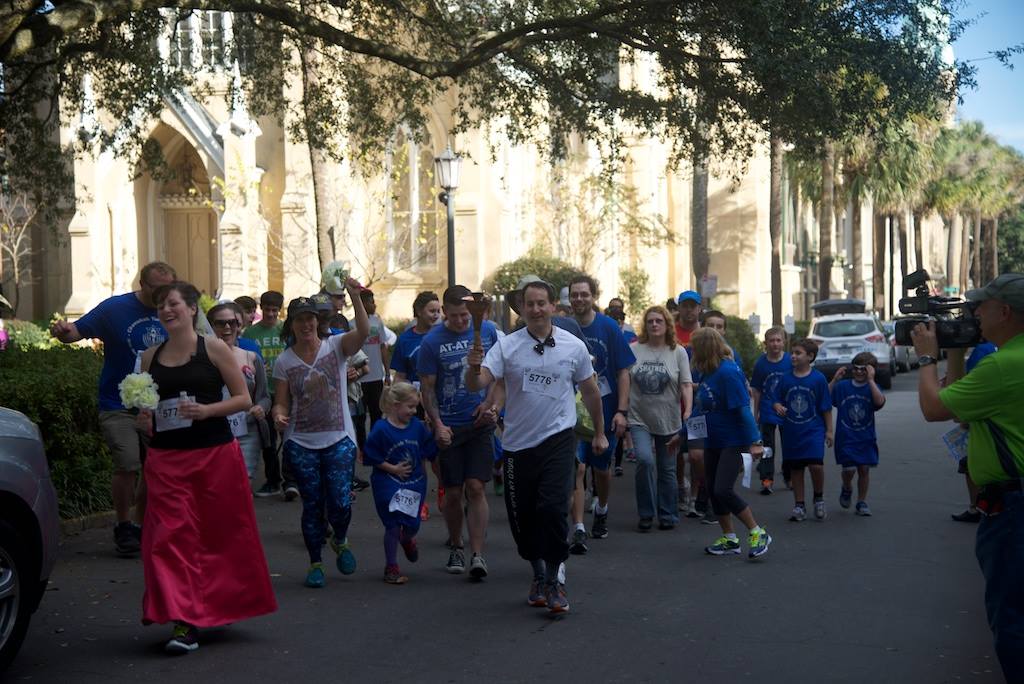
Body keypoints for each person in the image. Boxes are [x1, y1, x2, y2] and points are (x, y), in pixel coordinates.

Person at [136, 281, 276, 653]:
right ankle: (184, 621)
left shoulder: (213, 349)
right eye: (161, 306)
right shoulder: (150, 357)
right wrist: (144, 419)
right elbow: (148, 407)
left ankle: (218, 604)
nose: (166, 310)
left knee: (219, 536)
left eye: (173, 303)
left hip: (214, 455)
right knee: (169, 538)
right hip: (166, 460)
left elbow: (243, 399)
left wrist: (206, 411)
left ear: (192, 308)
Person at [466, 279, 606, 613]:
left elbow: (590, 392)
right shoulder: (508, 346)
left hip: (558, 438)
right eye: (530, 304)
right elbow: (478, 383)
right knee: (523, 518)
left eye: (542, 303)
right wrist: (473, 368)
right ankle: (538, 571)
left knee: (553, 507)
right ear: (522, 309)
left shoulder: (573, 346)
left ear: (553, 307)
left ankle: (556, 578)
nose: (536, 309)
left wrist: (600, 432)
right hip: (517, 444)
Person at [911, 273, 1024, 682]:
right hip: (1011, 504)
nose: (975, 312)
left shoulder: (1003, 365)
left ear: (1005, 312)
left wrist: (928, 356)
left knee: (1011, 618)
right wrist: (957, 350)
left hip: (1012, 510)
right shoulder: (1008, 360)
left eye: (982, 306)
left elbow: (935, 408)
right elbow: (963, 409)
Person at [50, 261, 176, 556]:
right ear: (142, 285)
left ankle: (140, 525)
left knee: (154, 468)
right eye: (158, 289)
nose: (164, 295)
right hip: (117, 402)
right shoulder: (114, 309)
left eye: (169, 287)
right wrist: (62, 331)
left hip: (160, 402)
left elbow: (199, 343)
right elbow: (76, 332)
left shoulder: (174, 309)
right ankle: (122, 525)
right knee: (129, 462)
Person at [271, 281, 369, 588]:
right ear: (292, 325)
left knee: (340, 501)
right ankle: (315, 563)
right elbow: (281, 401)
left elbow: (364, 333)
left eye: (310, 318)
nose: (305, 324)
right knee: (312, 504)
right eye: (299, 319)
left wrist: (355, 296)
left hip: (339, 438)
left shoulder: (336, 347)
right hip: (301, 442)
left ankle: (340, 539)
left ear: (318, 321)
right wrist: (277, 414)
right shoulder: (284, 361)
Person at [417, 285, 501, 577]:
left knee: (476, 487)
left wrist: (492, 405)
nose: (462, 321)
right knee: (453, 493)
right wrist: (437, 424)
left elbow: (500, 374)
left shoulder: (488, 331)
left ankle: (478, 554)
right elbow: (427, 390)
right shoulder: (431, 342)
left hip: (479, 423)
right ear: (444, 313)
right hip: (449, 427)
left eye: (465, 315)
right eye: (454, 316)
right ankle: (456, 546)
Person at [690, 328, 772, 559]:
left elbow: (743, 409)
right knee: (713, 490)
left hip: (733, 441)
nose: (692, 351)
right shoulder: (709, 371)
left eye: (695, 347)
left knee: (722, 489)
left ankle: (757, 532)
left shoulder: (728, 372)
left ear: (706, 347)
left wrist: (755, 441)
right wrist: (683, 434)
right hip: (713, 439)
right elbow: (700, 407)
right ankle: (729, 539)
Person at [568, 275, 635, 550]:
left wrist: (621, 410)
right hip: (571, 409)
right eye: (575, 295)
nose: (579, 299)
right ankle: (580, 527)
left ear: (593, 296)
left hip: (604, 409)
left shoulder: (608, 327)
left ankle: (602, 508)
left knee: (601, 469)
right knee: (578, 467)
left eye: (584, 294)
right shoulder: (564, 327)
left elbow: (622, 372)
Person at [363, 382, 438, 584]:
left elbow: (429, 450)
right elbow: (371, 457)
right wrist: (393, 469)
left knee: (411, 525)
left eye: (416, 407)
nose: (414, 411)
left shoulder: (417, 427)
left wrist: (437, 435)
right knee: (393, 524)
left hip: (414, 484)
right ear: (395, 405)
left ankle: (407, 540)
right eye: (410, 407)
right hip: (388, 482)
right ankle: (391, 566)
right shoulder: (381, 429)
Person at [627, 305, 692, 531]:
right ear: (645, 325)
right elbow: (624, 380)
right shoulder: (634, 350)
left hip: (669, 419)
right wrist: (621, 410)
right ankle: (646, 513)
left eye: (659, 321)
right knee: (644, 461)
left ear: (667, 325)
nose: (654, 324)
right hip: (639, 417)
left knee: (667, 469)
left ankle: (668, 514)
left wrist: (688, 410)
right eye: (650, 321)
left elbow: (685, 383)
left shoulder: (678, 352)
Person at [206, 302, 271, 480]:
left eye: (232, 322)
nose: (227, 327)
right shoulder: (201, 360)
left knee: (242, 481)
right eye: (220, 323)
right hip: (212, 430)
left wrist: (260, 408)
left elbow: (264, 397)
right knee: (217, 483)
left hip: (246, 431)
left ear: (239, 325)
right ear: (211, 326)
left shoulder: (251, 358)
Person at [771, 339, 833, 522]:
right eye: (793, 353)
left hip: (813, 429)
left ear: (810, 357)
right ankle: (799, 505)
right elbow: (775, 399)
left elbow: (826, 407)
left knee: (815, 465)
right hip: (792, 431)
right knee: (796, 469)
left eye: (798, 353)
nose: (793, 356)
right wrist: (777, 406)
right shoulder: (785, 378)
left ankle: (819, 498)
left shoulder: (818, 379)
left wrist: (829, 431)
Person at [828, 351, 885, 516]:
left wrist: (871, 380)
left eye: (864, 370)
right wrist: (834, 380)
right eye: (856, 368)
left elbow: (879, 401)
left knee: (864, 469)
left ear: (871, 371)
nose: (859, 372)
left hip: (866, 437)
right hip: (846, 437)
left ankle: (861, 501)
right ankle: (846, 487)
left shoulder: (872, 387)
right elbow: (823, 397)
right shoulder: (843, 387)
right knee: (849, 470)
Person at [243, 291, 287, 498]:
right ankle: (273, 480)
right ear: (262, 309)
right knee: (267, 440)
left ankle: (291, 480)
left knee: (289, 437)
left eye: (274, 310)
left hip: (285, 392)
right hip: (263, 393)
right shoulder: (250, 334)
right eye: (267, 310)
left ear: (280, 310)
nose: (270, 314)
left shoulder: (284, 330)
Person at [951, 340, 999, 523]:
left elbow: (940, 409)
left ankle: (977, 507)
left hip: (981, 419)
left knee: (971, 465)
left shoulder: (983, 351)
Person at [751, 326, 791, 494]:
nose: (775, 344)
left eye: (778, 340)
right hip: (768, 410)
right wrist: (756, 413)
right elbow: (757, 390)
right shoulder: (761, 364)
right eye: (771, 341)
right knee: (767, 447)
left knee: (789, 445)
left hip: (787, 410)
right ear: (765, 343)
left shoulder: (790, 360)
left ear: (784, 342)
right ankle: (766, 479)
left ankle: (789, 476)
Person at [391, 291, 442, 390]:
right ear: (419, 311)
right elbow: (400, 376)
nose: (436, 315)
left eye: (438, 311)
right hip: (415, 398)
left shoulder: (443, 335)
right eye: (432, 311)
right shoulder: (404, 340)